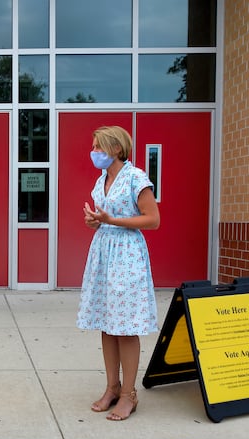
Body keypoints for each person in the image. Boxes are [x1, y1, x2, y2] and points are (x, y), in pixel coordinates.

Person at [76, 125, 160, 421]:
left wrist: (113, 220)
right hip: (103, 253)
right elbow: (105, 218)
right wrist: (96, 222)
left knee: (125, 327)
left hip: (127, 255)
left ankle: (129, 394)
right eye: (94, 146)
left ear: (116, 149)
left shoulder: (136, 178)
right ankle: (112, 387)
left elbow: (153, 220)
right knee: (107, 322)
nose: (94, 152)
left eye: (99, 147)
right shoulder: (102, 180)